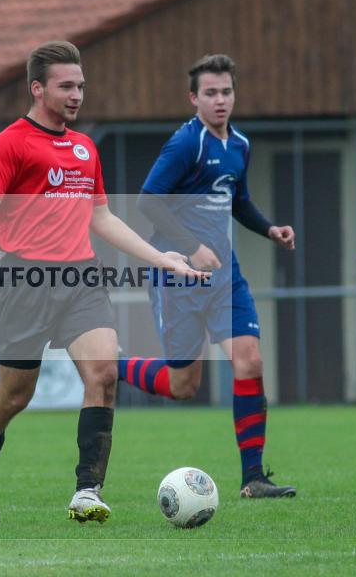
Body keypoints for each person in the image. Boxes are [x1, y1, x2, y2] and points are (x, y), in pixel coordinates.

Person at [0, 41, 205, 525]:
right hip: (23, 278)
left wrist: (160, 258)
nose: (76, 95)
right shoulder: (9, 143)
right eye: (66, 86)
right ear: (37, 88)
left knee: (104, 375)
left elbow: (102, 217)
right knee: (14, 396)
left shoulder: (84, 147)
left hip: (81, 276)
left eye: (80, 86)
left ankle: (87, 491)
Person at [118, 54, 297, 498]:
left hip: (224, 278)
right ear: (193, 98)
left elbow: (238, 200)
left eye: (226, 92)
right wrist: (193, 247)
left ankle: (253, 478)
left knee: (249, 361)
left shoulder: (239, 144)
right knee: (184, 386)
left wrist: (269, 228)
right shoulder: (186, 144)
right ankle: (111, 364)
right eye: (211, 93)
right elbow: (148, 202)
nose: (220, 101)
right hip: (178, 276)